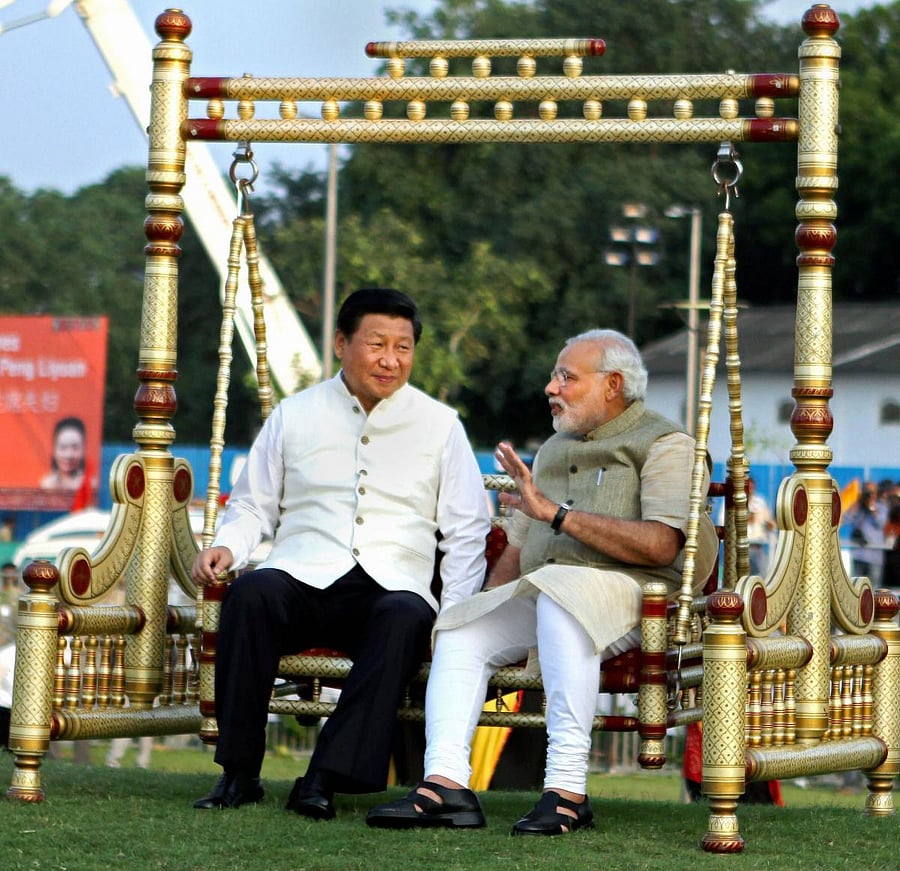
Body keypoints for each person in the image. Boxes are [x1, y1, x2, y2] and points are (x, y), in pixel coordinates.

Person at [367, 328, 717, 835]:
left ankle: (567, 792)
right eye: (554, 376)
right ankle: (445, 784)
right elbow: (516, 548)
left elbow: (663, 545)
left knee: (560, 598)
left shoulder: (666, 443)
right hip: (553, 591)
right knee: (462, 628)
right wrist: (487, 603)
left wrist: (556, 514)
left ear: (613, 384)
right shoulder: (553, 448)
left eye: (567, 377)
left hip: (638, 595)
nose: (551, 388)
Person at [191, 288, 490, 817]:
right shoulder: (294, 414)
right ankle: (238, 773)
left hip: (393, 586)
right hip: (302, 574)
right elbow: (254, 504)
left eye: (402, 347)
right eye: (377, 344)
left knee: (405, 617)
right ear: (340, 344)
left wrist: (455, 615)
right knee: (252, 594)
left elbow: (467, 531)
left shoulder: (441, 424)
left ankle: (323, 778)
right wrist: (227, 547)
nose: (390, 360)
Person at [844, 480, 887, 584]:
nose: (869, 495)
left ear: (876, 493)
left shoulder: (881, 507)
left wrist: (871, 506)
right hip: (859, 554)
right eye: (867, 492)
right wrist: (856, 505)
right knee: (856, 586)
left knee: (874, 587)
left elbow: (881, 523)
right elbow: (845, 519)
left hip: (875, 555)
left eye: (871, 492)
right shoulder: (858, 508)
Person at [40, 417, 87, 491]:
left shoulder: (90, 484)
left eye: (75, 448)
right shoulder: (47, 483)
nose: (69, 455)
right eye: (63, 447)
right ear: (54, 450)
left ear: (83, 449)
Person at [746, 477, 776, 576]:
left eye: (751, 487)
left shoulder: (760, 503)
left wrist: (771, 524)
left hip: (757, 546)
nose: (749, 490)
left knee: (760, 575)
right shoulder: (732, 502)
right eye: (747, 487)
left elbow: (769, 522)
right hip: (740, 548)